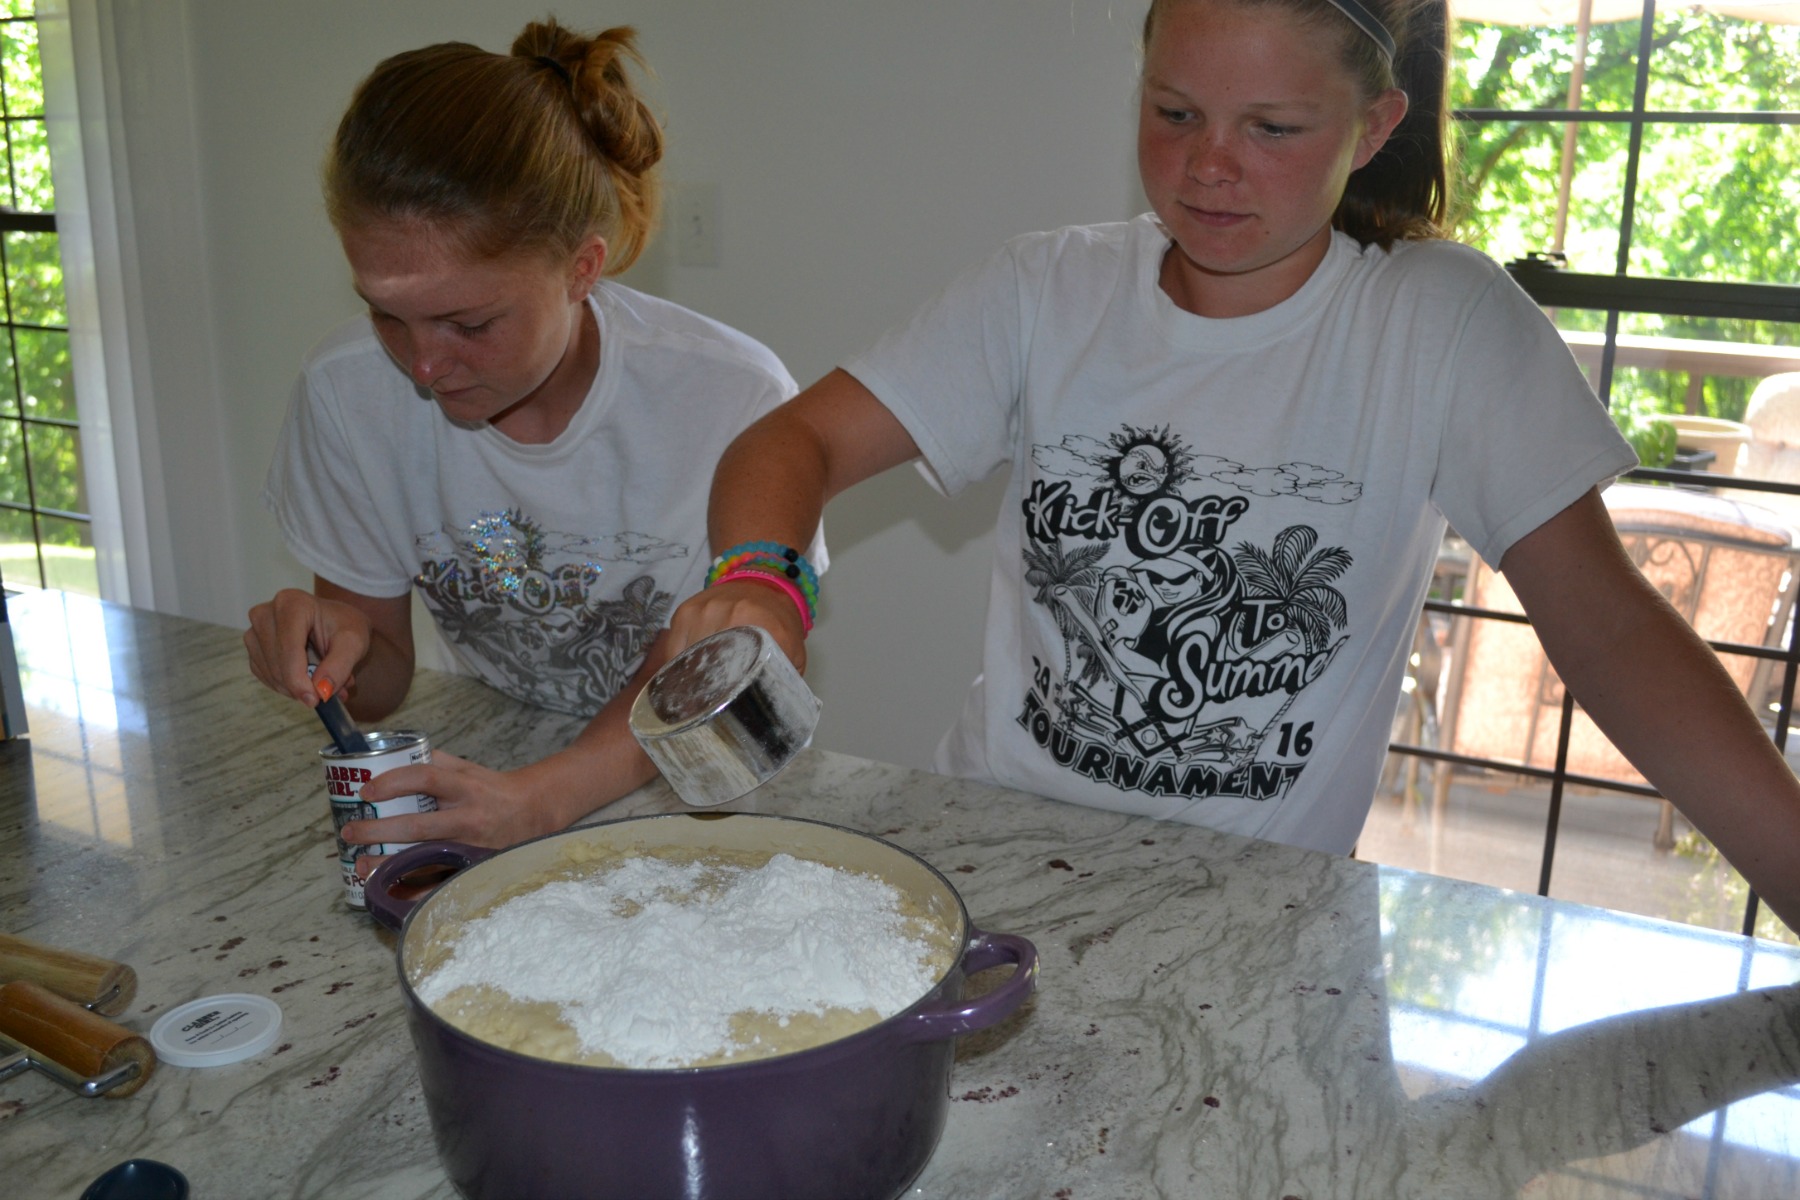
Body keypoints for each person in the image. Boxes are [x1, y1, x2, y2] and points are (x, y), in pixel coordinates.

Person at [664, 0, 1800, 930]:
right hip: (993, 860)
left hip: (1255, 912)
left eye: (1273, 128)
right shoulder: (1045, 291)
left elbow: (1609, 631)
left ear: (1372, 126)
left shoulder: (1440, 323)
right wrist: (762, 584)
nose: (1209, 166)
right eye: (1174, 112)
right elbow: (791, 441)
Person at [246, 20, 814, 855]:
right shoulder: (346, 394)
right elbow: (381, 684)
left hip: (697, 794)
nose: (425, 366)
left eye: (468, 322)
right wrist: (333, 656)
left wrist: (540, 802)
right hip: (504, 773)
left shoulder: (730, 399)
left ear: (583, 269)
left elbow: (705, 686)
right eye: (386, 314)